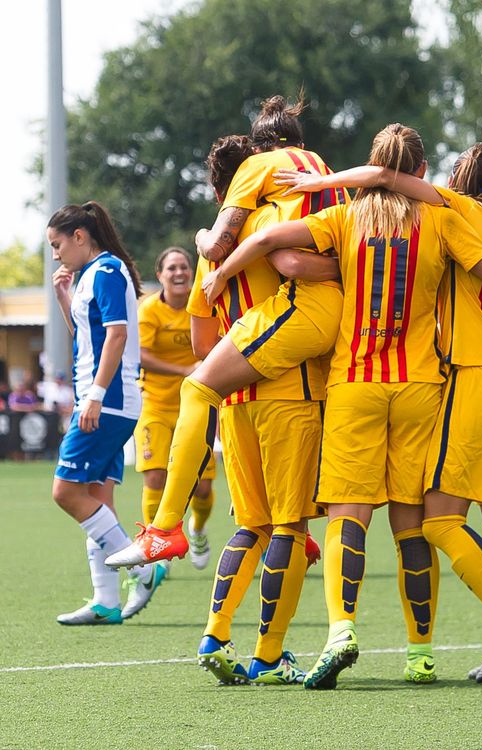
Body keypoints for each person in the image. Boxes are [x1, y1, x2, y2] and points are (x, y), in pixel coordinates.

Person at [203, 125, 482, 689]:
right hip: (421, 385)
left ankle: (341, 631)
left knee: (348, 517)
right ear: (422, 171)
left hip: (356, 382)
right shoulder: (442, 220)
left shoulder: (344, 218)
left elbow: (274, 248)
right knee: (414, 524)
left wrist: (221, 268)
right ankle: (421, 654)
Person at [104, 96, 348, 571]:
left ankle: (165, 529)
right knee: (291, 527)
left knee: (199, 391)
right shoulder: (327, 177)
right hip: (317, 361)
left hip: (260, 375)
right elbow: (302, 259)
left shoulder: (257, 186)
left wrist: (203, 242)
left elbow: (221, 254)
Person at [179, 133, 348, 686]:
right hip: (289, 393)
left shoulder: (212, 251)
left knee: (250, 526)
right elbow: (304, 267)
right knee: (288, 526)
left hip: (233, 401)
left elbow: (202, 345)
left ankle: (214, 634)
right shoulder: (279, 220)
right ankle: (269, 655)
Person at [45, 202, 167, 625]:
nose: (55, 255)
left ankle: (143, 568)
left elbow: (117, 335)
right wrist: (63, 298)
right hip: (103, 401)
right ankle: (106, 601)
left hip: (108, 402)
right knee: (97, 499)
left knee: (65, 492)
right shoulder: (88, 276)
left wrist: (95, 396)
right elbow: (88, 336)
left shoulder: (108, 271)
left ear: (80, 236)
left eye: (57, 245)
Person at [134, 248, 215, 569]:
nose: (179, 272)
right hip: (155, 405)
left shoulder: (203, 304)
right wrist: (184, 370)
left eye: (184, 266)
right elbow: (140, 354)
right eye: (172, 268)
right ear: (160, 275)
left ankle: (197, 529)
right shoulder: (149, 309)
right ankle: (155, 544)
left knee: (203, 487)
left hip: (196, 406)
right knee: (155, 477)